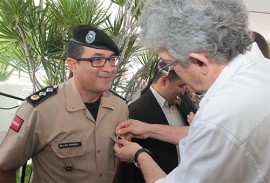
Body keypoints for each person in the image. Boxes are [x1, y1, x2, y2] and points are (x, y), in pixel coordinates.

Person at [113, 0, 270, 182]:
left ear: (200, 61)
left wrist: (140, 154)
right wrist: (149, 130)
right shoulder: (260, 70)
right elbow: (198, 133)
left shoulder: (220, 117)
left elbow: (212, 131)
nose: (172, 72)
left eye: (169, 63)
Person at [0, 25, 128, 183]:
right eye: (98, 60)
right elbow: (4, 168)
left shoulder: (119, 107)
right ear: (73, 65)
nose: (109, 68)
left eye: (112, 59)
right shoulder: (40, 110)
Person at [118, 62, 196, 182]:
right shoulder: (135, 112)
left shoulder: (185, 102)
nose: (183, 91)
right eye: (181, 86)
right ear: (163, 81)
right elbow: (129, 170)